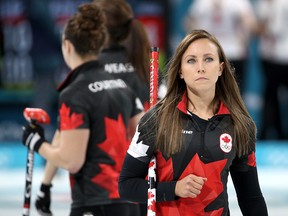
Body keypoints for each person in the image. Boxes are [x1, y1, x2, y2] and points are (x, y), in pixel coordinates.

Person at [34, 0, 166, 215]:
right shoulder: (146, 65)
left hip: (100, 190)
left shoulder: (88, 72)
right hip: (146, 182)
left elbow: (66, 133)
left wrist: (45, 184)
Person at [119, 29, 268, 215]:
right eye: (191, 60)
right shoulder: (155, 120)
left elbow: (251, 197)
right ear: (180, 71)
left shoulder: (240, 124)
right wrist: (173, 189)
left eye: (208, 59)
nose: (201, 68)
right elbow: (126, 186)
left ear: (220, 68)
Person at [184, 0, 258, 94]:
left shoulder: (201, 3)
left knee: (211, 95)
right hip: (234, 53)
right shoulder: (239, 2)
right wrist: (244, 41)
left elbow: (189, 23)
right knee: (234, 96)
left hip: (210, 54)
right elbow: (250, 25)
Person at [255, 0, 288, 140]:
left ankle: (278, 132)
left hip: (280, 55)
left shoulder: (282, 4)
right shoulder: (262, 5)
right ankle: (273, 132)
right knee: (270, 95)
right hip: (269, 56)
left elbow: (264, 29)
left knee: (272, 95)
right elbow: (260, 30)